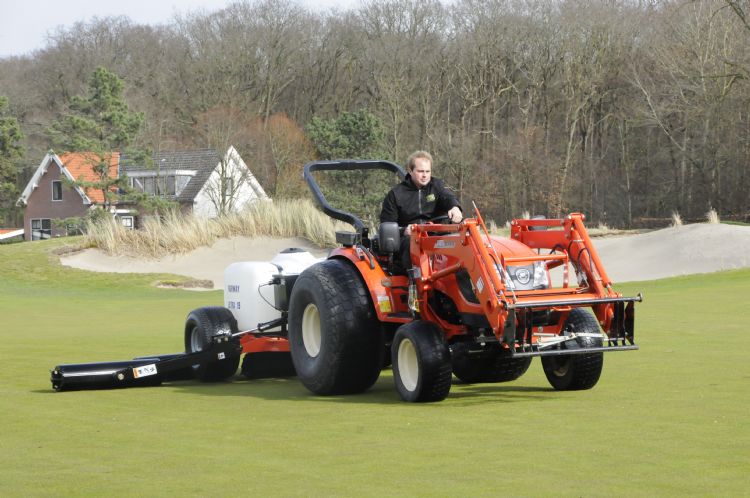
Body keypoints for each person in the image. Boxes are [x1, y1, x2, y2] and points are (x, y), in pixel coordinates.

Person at [380, 150, 462, 271]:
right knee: (412, 244)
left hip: (434, 234)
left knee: (460, 240)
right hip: (409, 238)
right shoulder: (396, 194)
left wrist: (455, 207)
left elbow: (448, 197)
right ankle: (417, 283)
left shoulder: (436, 186)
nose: (424, 175)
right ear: (410, 170)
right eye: (420, 171)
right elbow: (387, 225)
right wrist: (403, 230)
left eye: (427, 171)